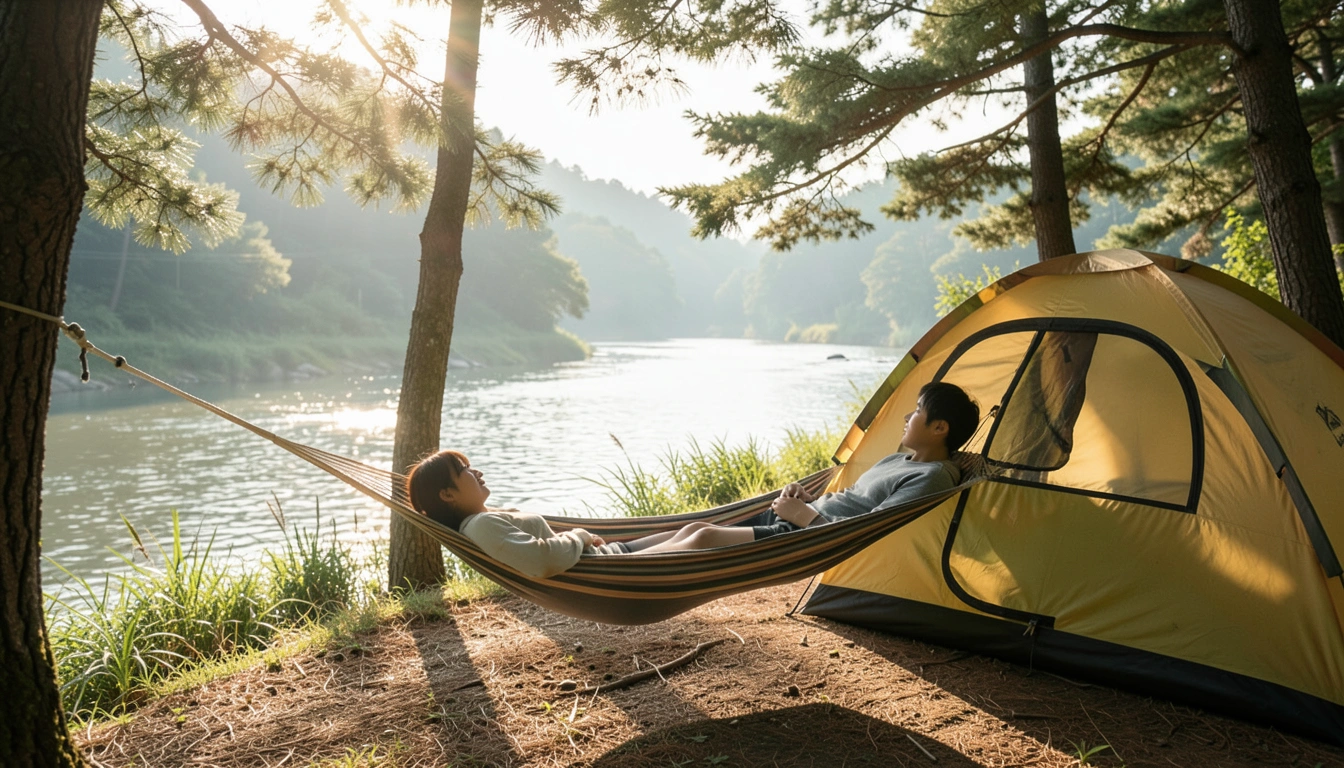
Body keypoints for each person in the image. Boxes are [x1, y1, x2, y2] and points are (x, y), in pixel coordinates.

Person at [405, 381, 979, 576]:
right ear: (452, 493)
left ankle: (628, 559)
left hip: (807, 533)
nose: (905, 418)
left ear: (939, 428)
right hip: (802, 520)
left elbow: (863, 526)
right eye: (466, 471)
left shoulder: (930, 479)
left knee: (702, 535)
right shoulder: (901, 460)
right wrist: (805, 501)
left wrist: (804, 515)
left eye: (915, 412)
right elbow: (850, 501)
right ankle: (628, 557)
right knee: (700, 526)